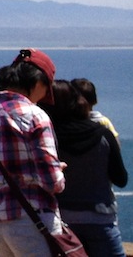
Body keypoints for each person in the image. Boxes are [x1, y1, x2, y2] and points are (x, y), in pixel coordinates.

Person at [0, 48, 65, 257]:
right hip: (33, 221)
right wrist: (58, 170)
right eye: (46, 89)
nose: (44, 96)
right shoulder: (35, 116)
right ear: (37, 82)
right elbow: (53, 183)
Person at [49, 79, 126, 257]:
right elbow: (120, 179)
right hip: (100, 217)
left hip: (62, 221)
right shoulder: (103, 134)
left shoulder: (50, 138)